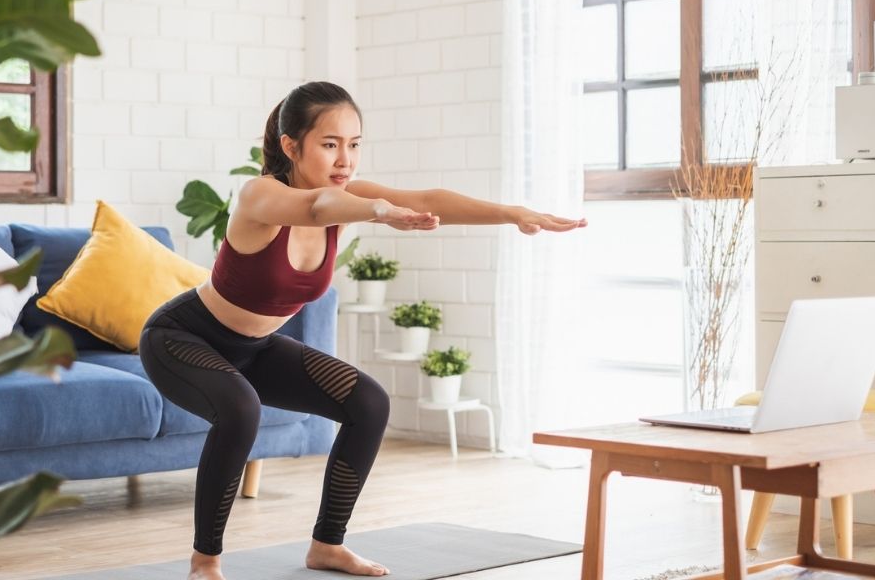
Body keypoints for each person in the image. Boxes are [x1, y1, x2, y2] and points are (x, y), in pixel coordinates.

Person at [138, 81, 588, 580]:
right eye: (330, 144)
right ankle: (205, 563)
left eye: (354, 145)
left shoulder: (346, 196)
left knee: (368, 403)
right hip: (181, 339)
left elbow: (427, 197)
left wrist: (510, 214)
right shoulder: (260, 194)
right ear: (291, 146)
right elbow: (314, 208)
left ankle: (327, 546)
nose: (344, 159)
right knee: (240, 409)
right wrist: (378, 209)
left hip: (254, 348)